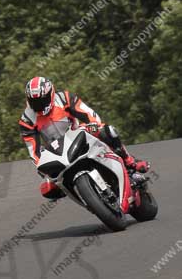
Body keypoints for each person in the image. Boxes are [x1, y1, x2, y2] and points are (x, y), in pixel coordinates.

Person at [19, 77, 149, 199]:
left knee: (107, 131)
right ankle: (78, 192)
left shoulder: (64, 98)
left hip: (78, 135)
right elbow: (33, 151)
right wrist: (43, 170)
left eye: (42, 100)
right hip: (57, 152)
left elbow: (87, 113)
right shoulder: (27, 120)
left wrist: (93, 124)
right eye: (34, 102)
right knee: (49, 189)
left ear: (51, 94)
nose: (39, 105)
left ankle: (130, 161)